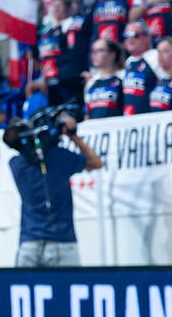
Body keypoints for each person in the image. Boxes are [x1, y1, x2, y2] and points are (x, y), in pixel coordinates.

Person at [9, 112, 103, 266]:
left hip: (29, 243)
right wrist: (73, 136)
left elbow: (27, 151)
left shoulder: (15, 165)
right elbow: (96, 162)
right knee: (68, 289)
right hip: (62, 242)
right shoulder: (59, 157)